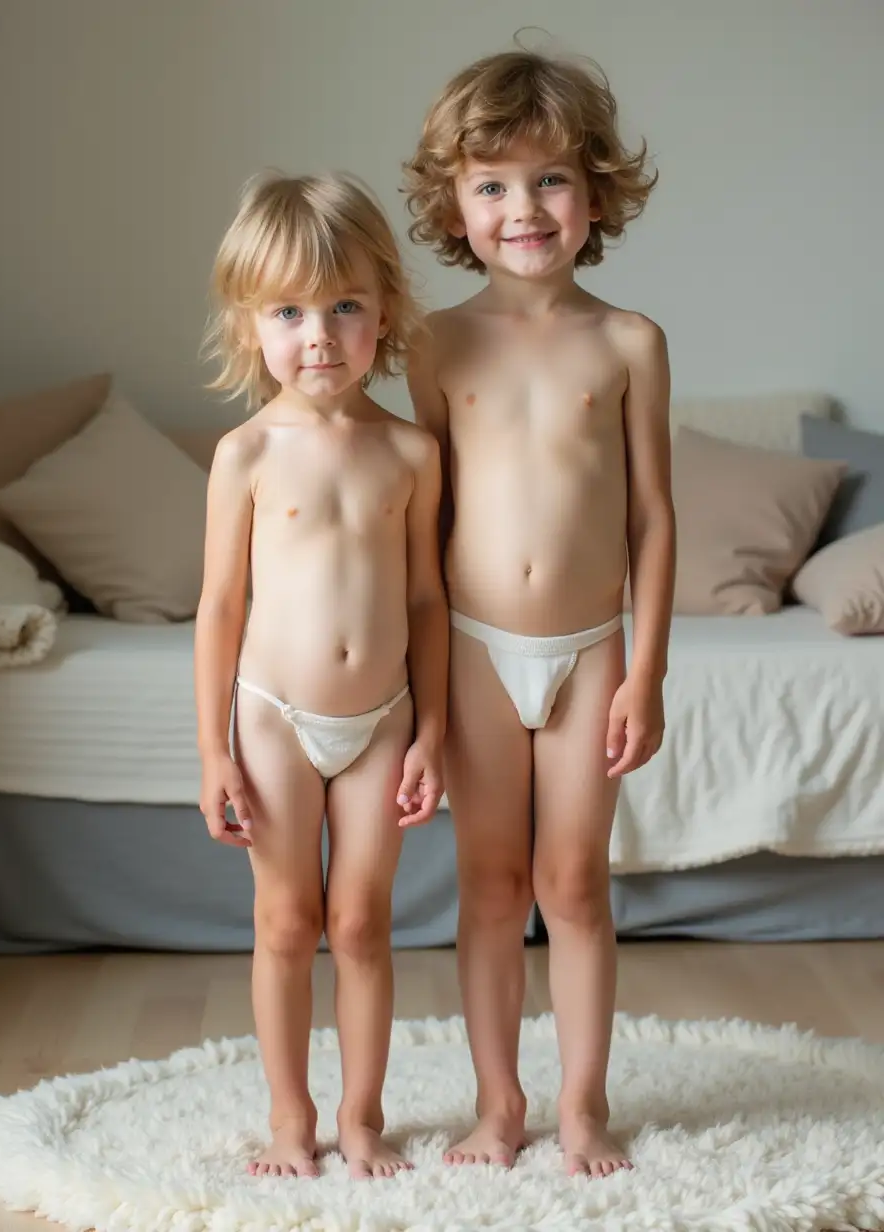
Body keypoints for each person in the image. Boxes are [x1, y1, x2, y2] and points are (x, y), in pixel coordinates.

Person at [403, 48, 675, 1179]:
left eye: (551, 181)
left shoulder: (628, 343)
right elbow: (422, 528)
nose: (524, 209)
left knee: (573, 881)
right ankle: (496, 1101)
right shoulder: (432, 342)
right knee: (488, 883)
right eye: (493, 185)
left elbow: (653, 519)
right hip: (471, 647)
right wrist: (415, 705)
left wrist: (644, 671)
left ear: (598, 192)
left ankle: (582, 1102)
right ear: (455, 204)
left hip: (587, 650)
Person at [194, 171, 448, 1181]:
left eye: (346, 305)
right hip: (273, 718)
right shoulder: (245, 453)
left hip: (381, 717)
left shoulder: (411, 453)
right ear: (251, 323)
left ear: (383, 309)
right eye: (291, 310)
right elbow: (219, 608)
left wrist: (428, 730)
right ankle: (289, 1116)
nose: (321, 334)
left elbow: (426, 602)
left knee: (362, 920)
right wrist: (212, 746)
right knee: (286, 919)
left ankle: (363, 1116)